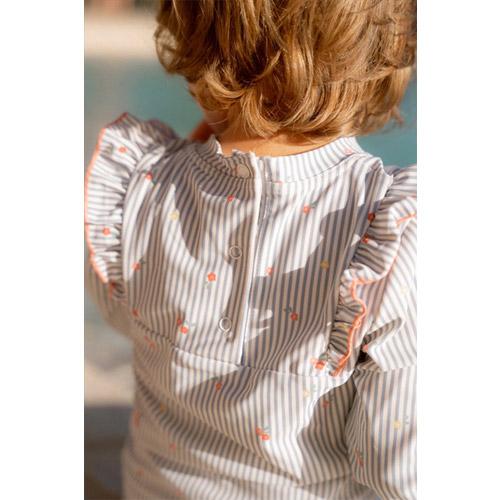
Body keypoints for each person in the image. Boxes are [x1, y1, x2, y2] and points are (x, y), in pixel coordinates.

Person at [84, 1, 417, 498]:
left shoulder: (138, 184)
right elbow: (400, 472)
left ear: (189, 28)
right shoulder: (390, 233)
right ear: (385, 51)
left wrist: (184, 171)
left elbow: (117, 310)